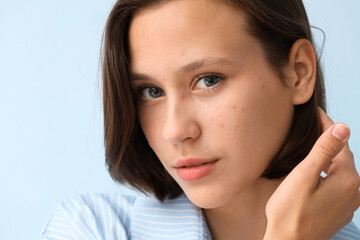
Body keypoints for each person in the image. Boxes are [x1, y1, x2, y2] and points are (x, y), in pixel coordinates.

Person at [41, 0, 360, 239]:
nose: (175, 131)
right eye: (151, 91)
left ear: (299, 72)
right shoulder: (89, 228)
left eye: (208, 80)